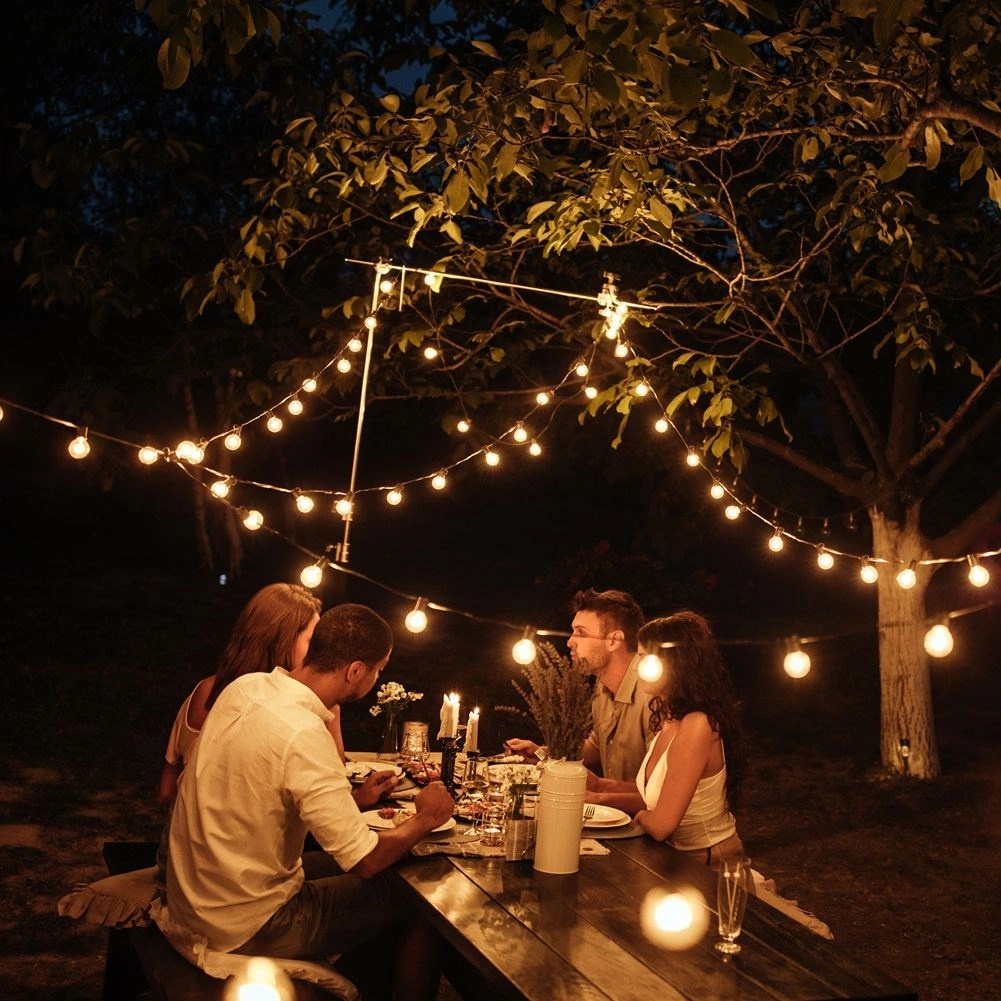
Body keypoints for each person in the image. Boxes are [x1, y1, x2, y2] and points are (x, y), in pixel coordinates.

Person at [163, 602, 455, 1000]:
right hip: (246, 922)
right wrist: (426, 818)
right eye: (379, 669)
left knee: (395, 866)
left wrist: (356, 800)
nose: (377, 678)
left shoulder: (246, 688)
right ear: (355, 671)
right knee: (420, 897)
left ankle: (364, 981)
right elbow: (365, 860)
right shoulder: (303, 732)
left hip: (200, 895)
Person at [156, 582, 348, 806]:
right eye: (312, 641)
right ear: (283, 640)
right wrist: (332, 711)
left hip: (185, 824)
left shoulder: (206, 688)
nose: (318, 652)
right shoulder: (283, 711)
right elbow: (335, 791)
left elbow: (166, 790)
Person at [586, 610, 747, 864]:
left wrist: (638, 816)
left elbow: (661, 825)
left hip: (710, 862)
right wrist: (598, 787)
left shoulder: (697, 724)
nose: (637, 666)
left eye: (645, 658)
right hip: (675, 858)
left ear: (678, 663)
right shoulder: (668, 718)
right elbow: (654, 797)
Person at [505, 588, 654, 794]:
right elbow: (596, 746)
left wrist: (600, 789)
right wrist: (542, 753)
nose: (570, 642)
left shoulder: (652, 693)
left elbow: (661, 794)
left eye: (581, 632)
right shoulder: (602, 687)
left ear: (613, 640)